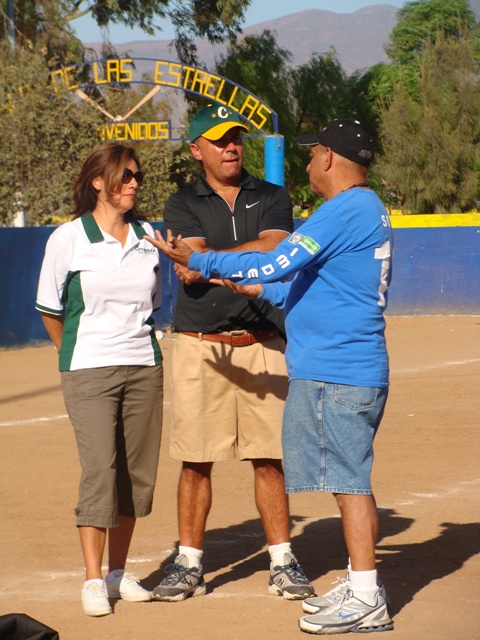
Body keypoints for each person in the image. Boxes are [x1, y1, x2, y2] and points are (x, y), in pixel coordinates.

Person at [148, 118, 395, 634]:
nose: (306, 165)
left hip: (338, 369)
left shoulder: (343, 210)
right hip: (344, 364)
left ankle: (366, 593)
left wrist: (206, 260)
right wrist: (258, 290)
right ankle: (359, 581)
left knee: (347, 483)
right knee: (347, 480)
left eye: (311, 155)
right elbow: (300, 282)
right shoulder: (361, 208)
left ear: (329, 157)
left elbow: (279, 259)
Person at [150, 104, 314, 602]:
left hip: (264, 343)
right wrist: (248, 256)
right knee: (196, 460)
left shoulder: (272, 194)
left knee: (269, 458)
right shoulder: (182, 203)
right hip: (201, 346)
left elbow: (272, 253)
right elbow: (194, 269)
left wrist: (209, 260)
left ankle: (283, 560)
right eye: (219, 140)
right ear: (197, 149)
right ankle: (189, 563)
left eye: (236, 138)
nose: (231, 147)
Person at [35, 143, 164, 617]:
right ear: (98, 181)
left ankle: (116, 572)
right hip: (88, 369)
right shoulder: (68, 238)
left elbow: (153, 302)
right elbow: (50, 309)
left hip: (143, 366)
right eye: (125, 175)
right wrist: (76, 354)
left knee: (135, 475)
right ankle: (92, 579)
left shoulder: (149, 234)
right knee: (100, 471)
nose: (134, 183)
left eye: (137, 176)